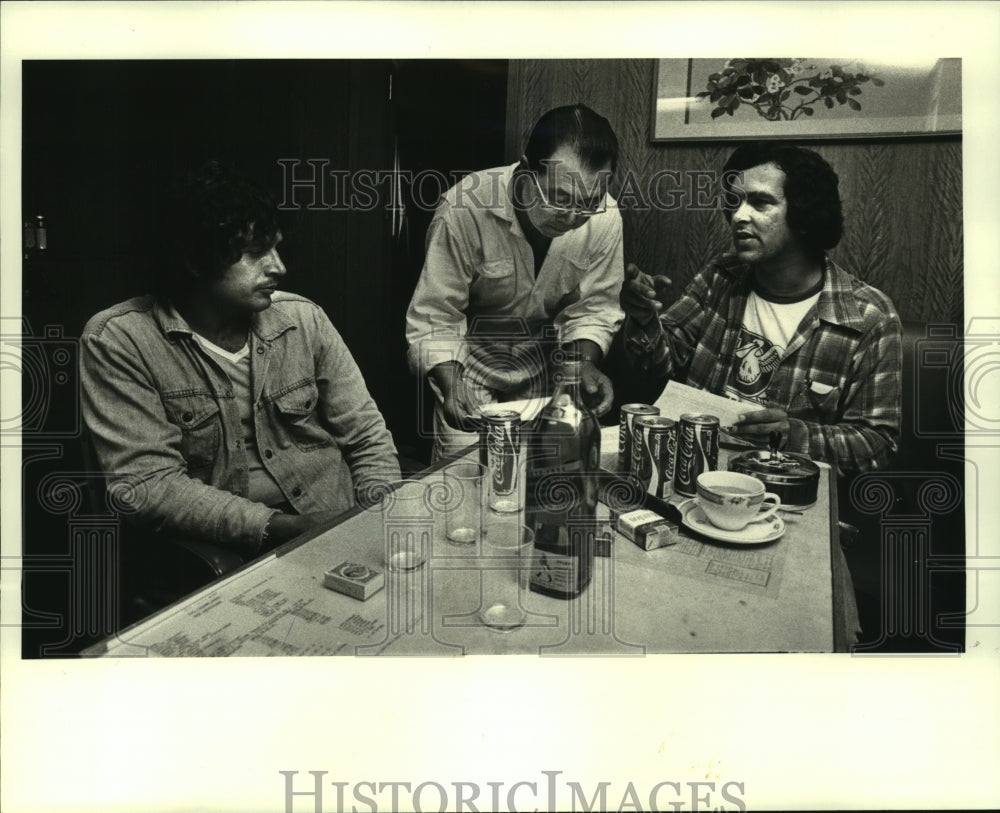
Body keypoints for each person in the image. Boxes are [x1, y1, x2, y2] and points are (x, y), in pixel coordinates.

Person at [80, 161, 401, 559]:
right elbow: (150, 486)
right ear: (194, 260)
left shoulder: (303, 318)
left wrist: (378, 511)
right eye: (254, 253)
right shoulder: (119, 340)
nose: (279, 267)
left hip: (337, 520)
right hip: (228, 550)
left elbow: (367, 434)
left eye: (277, 246)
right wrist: (279, 528)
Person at [618, 142, 902, 479]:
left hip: (787, 495)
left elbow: (877, 445)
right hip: (697, 472)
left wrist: (792, 434)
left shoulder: (870, 317)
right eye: (734, 202)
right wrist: (644, 318)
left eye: (761, 202)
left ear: (803, 214)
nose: (739, 215)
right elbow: (659, 364)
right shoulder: (721, 276)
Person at [405, 103, 625, 461]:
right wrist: (451, 382)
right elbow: (435, 315)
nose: (571, 216)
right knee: (465, 485)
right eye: (558, 197)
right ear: (525, 172)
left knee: (539, 485)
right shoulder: (464, 208)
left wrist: (582, 364)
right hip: (468, 371)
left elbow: (595, 309)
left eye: (588, 203)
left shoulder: (606, 218)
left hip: (547, 372)